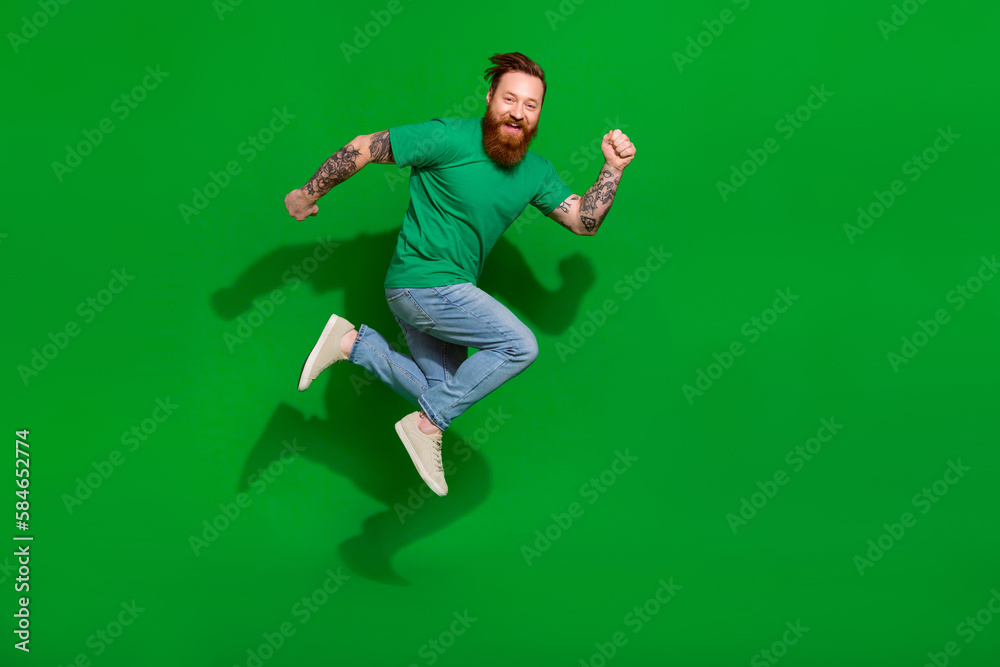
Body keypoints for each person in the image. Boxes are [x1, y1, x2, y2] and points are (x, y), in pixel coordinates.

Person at [283, 52, 635, 497]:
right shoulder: (447, 137)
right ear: (490, 99)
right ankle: (428, 426)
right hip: (421, 283)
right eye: (510, 99)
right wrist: (305, 193)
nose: (518, 113)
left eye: (531, 105)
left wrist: (612, 169)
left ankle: (353, 344)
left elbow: (583, 220)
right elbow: (365, 146)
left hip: (447, 297)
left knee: (444, 388)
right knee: (518, 345)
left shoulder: (535, 172)